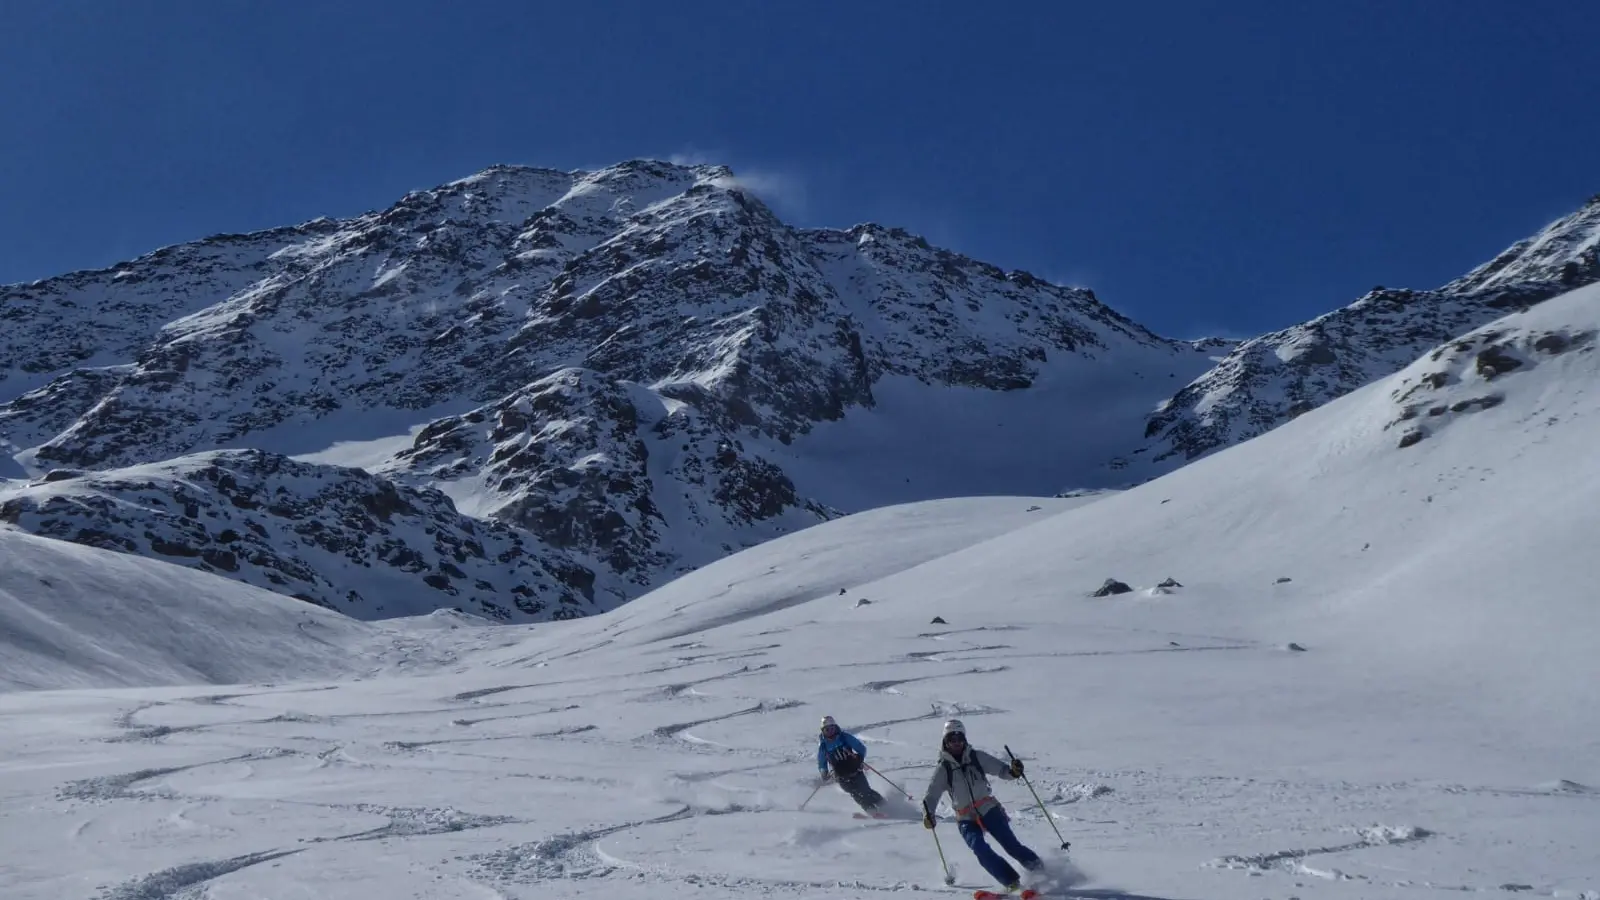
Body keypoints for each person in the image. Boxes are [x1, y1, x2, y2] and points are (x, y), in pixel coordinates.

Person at [921, 718, 1043, 891]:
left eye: (959, 739)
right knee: (980, 849)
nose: (956, 743)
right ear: (945, 742)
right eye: (951, 740)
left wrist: (1014, 771)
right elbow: (931, 796)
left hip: (988, 809)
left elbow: (1002, 770)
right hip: (965, 817)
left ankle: (1042, 871)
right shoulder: (943, 768)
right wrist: (928, 814)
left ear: (964, 739)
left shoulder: (976, 757)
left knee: (1010, 844)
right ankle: (1011, 882)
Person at [816, 715, 884, 813]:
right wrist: (824, 772)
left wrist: (859, 758)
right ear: (823, 731)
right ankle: (870, 810)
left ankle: (883, 805)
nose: (830, 732)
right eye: (827, 730)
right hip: (840, 775)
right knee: (854, 793)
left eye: (832, 728)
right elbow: (822, 761)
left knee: (865, 791)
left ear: (835, 728)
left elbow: (860, 747)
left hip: (855, 769)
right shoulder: (823, 745)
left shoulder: (844, 737)